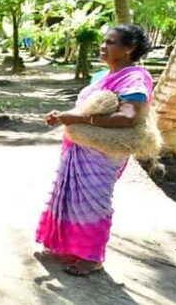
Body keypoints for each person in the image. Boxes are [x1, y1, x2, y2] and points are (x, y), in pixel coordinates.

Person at [38, 24, 154, 276]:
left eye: (110, 42)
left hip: (103, 154)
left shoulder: (134, 78)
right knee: (71, 196)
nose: (103, 46)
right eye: (104, 41)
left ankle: (92, 257)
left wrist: (79, 120)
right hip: (79, 147)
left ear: (129, 48)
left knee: (94, 201)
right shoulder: (100, 76)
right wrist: (62, 116)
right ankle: (69, 246)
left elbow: (127, 117)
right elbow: (86, 109)